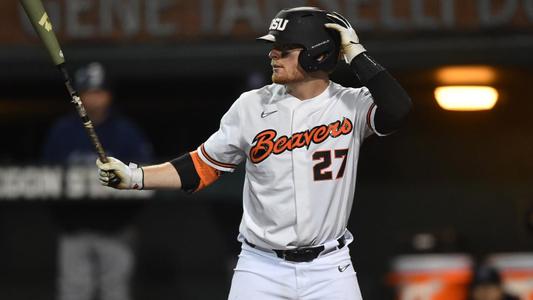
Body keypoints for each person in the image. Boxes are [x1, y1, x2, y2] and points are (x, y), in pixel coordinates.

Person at [96, 7, 411, 300]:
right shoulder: (251, 105)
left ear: (319, 55)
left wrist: (355, 52)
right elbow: (200, 167)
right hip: (261, 267)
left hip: (330, 266)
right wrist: (135, 177)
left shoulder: (351, 104)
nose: (273, 54)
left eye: (285, 49)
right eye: (274, 47)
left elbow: (398, 109)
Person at [43, 62, 153, 300]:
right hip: (73, 229)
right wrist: (64, 221)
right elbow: (45, 180)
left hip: (116, 229)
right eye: (88, 92)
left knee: (115, 292)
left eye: (99, 92)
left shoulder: (126, 132)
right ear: (79, 96)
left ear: (109, 95)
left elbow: (145, 179)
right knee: (73, 292)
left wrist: (126, 219)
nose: (94, 99)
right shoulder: (63, 131)